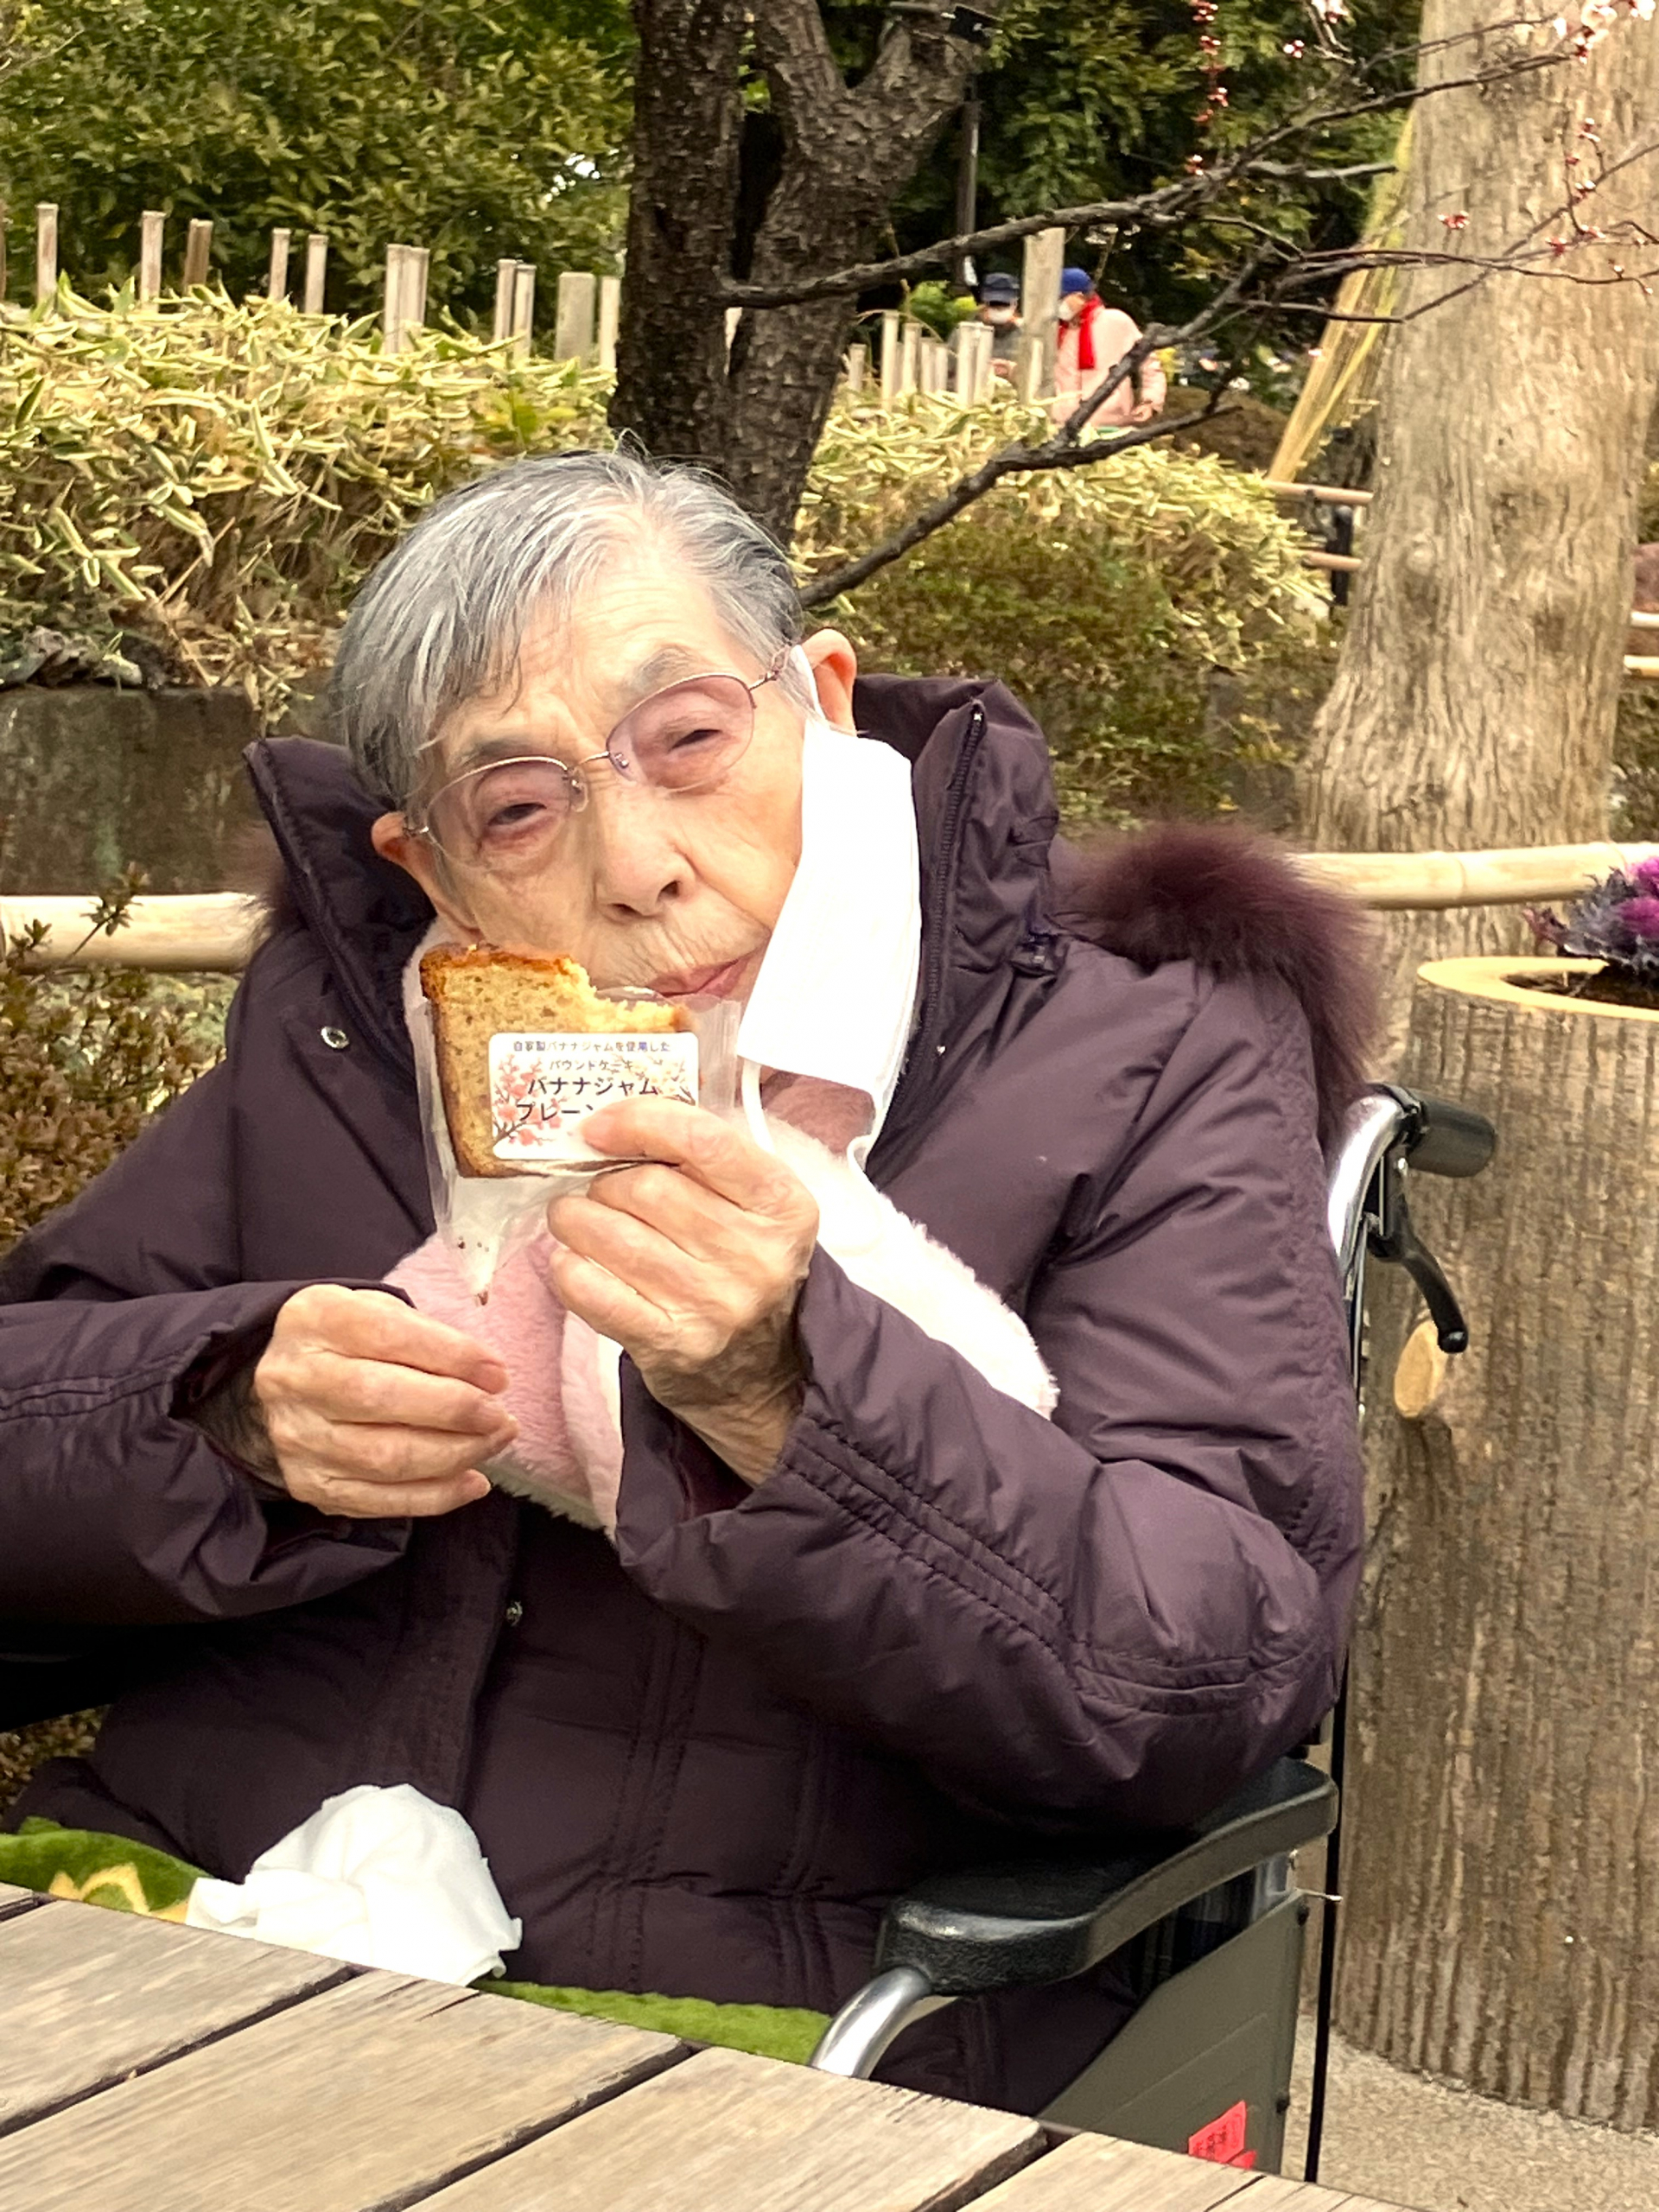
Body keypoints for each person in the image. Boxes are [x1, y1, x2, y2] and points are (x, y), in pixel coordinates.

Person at [0, 450, 1368, 2115]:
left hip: (770, 2019)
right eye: (518, 808)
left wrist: (792, 1398)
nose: (636, 863)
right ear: (423, 864)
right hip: (198, 1911)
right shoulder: (355, 1040)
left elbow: (1210, 1674)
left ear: (823, 701)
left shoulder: (1147, 1059)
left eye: (692, 740)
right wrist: (219, 1416)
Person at [1052, 265, 1166, 429]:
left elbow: (1149, 363)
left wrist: (1151, 401)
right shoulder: (1057, 331)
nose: (1056, 305)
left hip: (1111, 423)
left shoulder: (1116, 321)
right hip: (1062, 424)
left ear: (1079, 297)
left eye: (1060, 298)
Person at [977, 270, 1022, 382]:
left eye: (1004, 304)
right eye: (994, 304)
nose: (999, 309)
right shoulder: (966, 334)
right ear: (985, 304)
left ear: (1014, 305)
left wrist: (1014, 371)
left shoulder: (1026, 337)